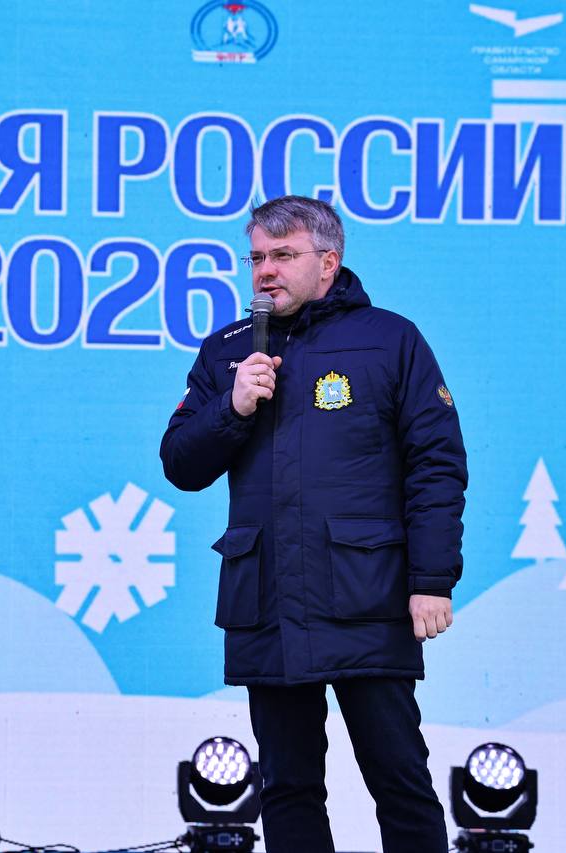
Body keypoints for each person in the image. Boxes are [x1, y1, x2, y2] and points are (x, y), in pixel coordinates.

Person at [159, 195, 467, 852]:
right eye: (257, 258)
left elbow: (436, 465)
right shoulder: (228, 352)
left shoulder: (390, 340)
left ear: (328, 262)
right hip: (266, 599)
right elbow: (180, 463)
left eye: (283, 255)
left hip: (366, 596)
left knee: (399, 778)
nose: (265, 271)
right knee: (288, 786)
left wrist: (431, 579)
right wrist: (232, 408)